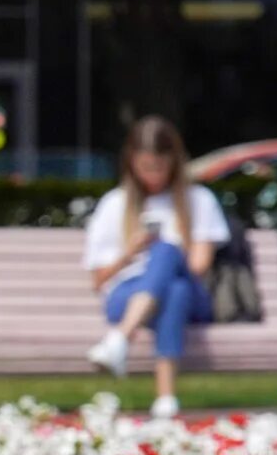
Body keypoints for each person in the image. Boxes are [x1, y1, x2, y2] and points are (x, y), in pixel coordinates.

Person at [82, 116, 230, 419]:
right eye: (146, 167)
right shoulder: (115, 204)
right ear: (132, 162)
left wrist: (164, 255)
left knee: (169, 263)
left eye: (159, 167)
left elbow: (199, 266)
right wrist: (130, 253)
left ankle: (120, 339)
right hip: (125, 293)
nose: (153, 175)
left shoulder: (198, 200)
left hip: (191, 293)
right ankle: (166, 399)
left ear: (174, 162)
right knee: (171, 290)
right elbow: (98, 280)